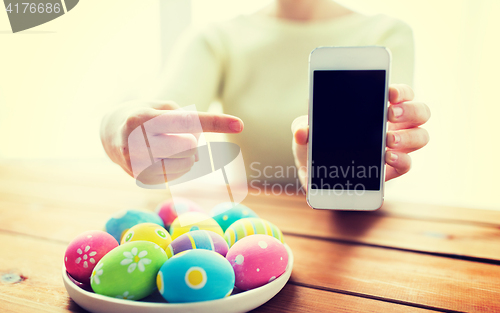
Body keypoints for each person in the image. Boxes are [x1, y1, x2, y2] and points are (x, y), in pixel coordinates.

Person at [100, 0, 430, 189]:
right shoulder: (217, 37)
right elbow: (157, 110)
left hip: (359, 235)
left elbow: (383, 143)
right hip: (251, 229)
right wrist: (117, 128)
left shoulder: (387, 33)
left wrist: (373, 157)